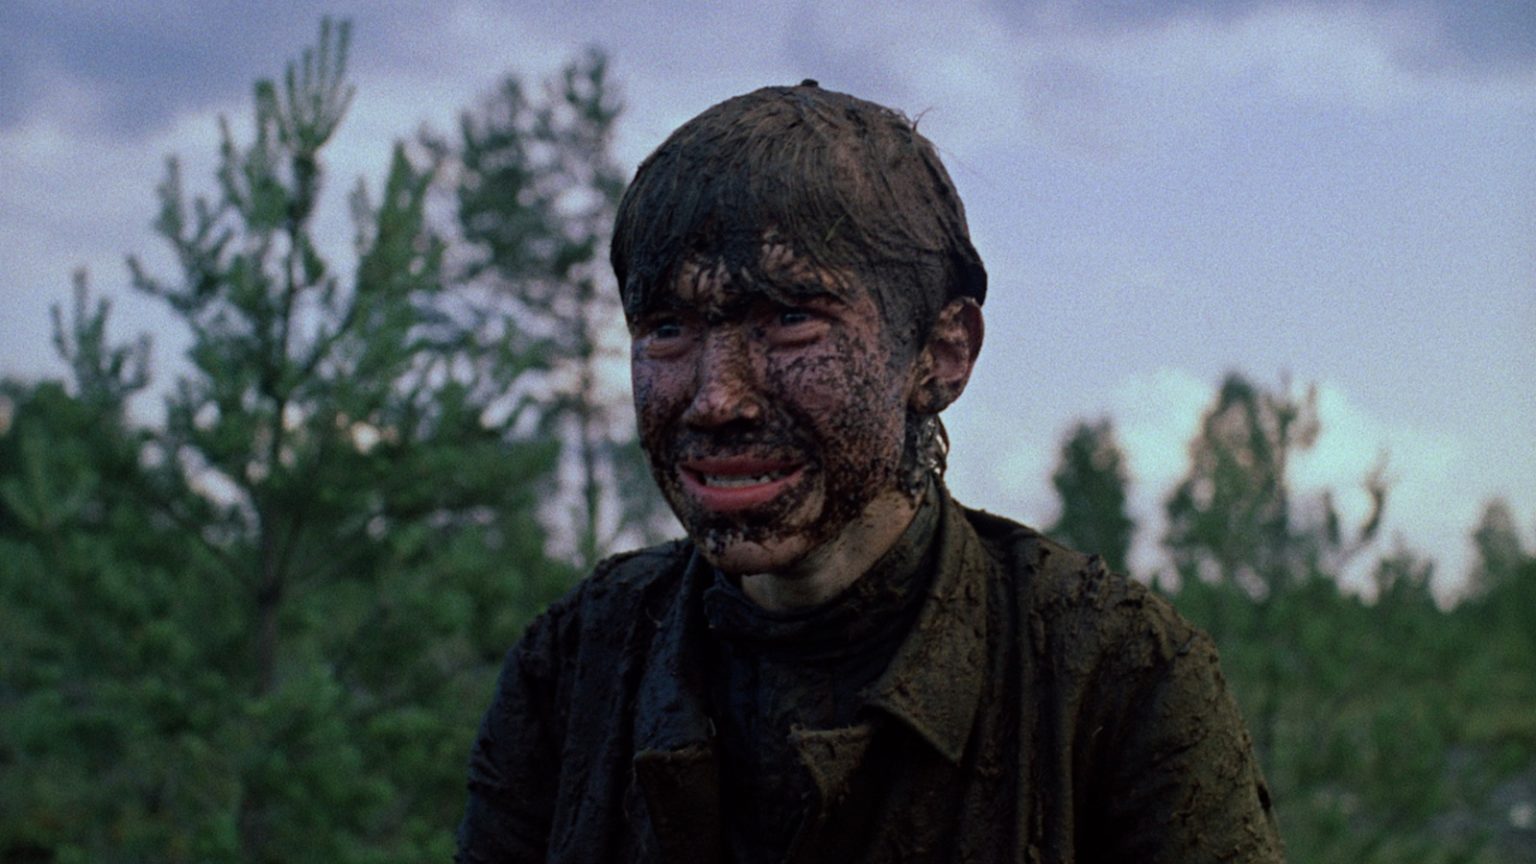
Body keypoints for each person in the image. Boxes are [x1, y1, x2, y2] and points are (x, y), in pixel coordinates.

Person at [456, 81, 1284, 863]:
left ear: (943, 354)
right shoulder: (576, 666)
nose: (715, 399)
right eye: (668, 327)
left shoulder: (1117, 679)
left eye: (790, 319)